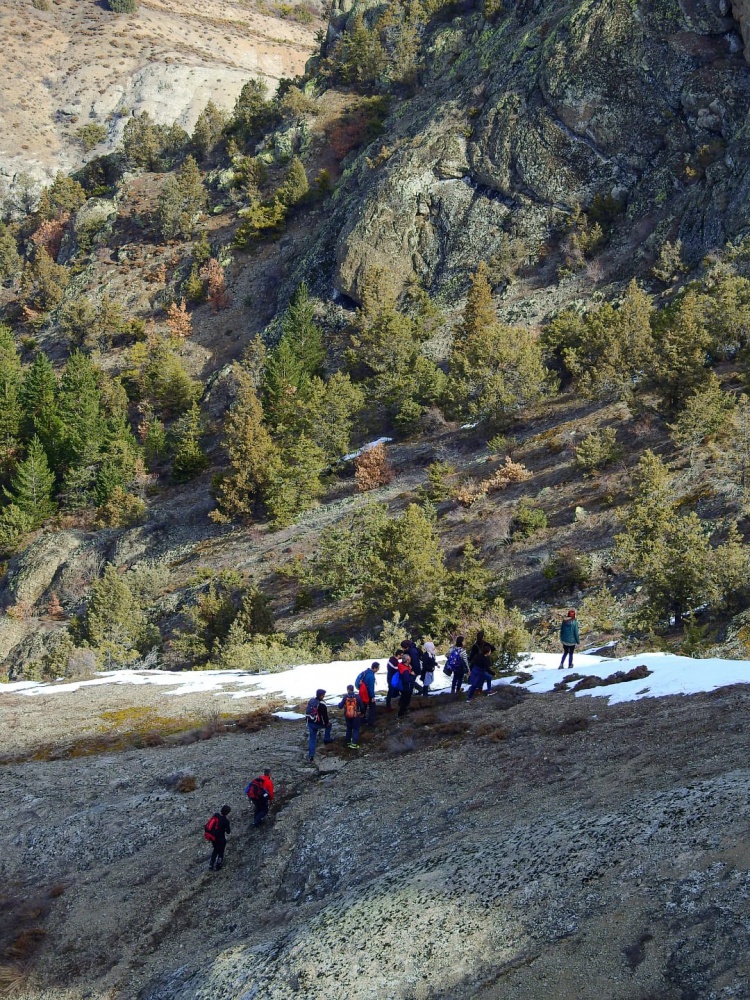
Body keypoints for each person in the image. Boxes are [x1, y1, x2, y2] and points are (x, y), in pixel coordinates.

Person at [305, 688, 332, 760]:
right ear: (321, 695)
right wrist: (327, 723)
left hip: (310, 722)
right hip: (317, 723)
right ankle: (326, 739)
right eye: (323, 695)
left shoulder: (312, 701)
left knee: (312, 738)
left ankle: (311, 755)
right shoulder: (322, 704)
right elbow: (325, 716)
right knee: (329, 725)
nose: (324, 696)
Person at [205, 804, 231, 871]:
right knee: (221, 852)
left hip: (213, 838)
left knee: (215, 850)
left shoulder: (216, 815)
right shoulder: (225, 821)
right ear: (227, 813)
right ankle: (218, 866)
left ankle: (211, 865)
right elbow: (228, 832)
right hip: (221, 839)